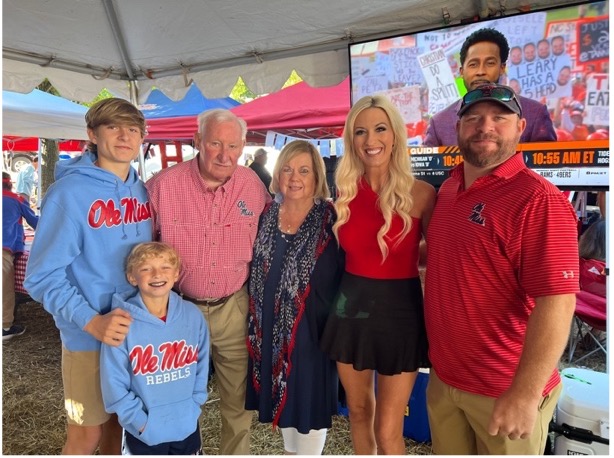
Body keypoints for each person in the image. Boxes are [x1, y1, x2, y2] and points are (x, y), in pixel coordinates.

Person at [424, 83, 579, 455]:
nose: (485, 127)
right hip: (445, 381)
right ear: (457, 129)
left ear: (521, 127)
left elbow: (558, 302)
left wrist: (525, 393)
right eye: (473, 118)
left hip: (502, 390)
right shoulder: (448, 189)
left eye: (499, 118)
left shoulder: (539, 200)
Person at [24, 98, 152, 455]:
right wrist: (92, 322)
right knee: (85, 436)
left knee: (118, 428)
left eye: (133, 129)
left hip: (135, 335)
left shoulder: (143, 190)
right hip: (88, 338)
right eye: (113, 127)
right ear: (92, 135)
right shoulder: (68, 194)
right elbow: (42, 276)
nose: (124, 136)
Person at [146, 108, 271, 455]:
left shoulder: (252, 185)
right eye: (215, 143)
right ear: (198, 141)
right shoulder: (162, 186)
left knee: (238, 400)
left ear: (243, 147)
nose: (224, 155)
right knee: (178, 395)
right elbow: (141, 251)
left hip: (234, 306)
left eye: (233, 146)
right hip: (177, 309)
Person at [321, 94, 436, 454]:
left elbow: (439, 259)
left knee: (388, 430)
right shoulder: (342, 195)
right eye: (360, 132)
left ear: (395, 135)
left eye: (380, 129)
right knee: (357, 412)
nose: (371, 140)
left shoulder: (423, 194)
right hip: (349, 311)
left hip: (400, 314)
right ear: (351, 140)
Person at [246, 140, 344, 455]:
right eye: (287, 169)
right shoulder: (265, 215)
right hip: (269, 331)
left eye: (304, 170)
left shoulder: (333, 219)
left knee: (309, 409)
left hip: (312, 333)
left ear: (317, 176)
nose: (294, 178)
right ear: (277, 174)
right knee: (284, 408)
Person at [100, 242, 210, 455]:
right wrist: (139, 421)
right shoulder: (120, 322)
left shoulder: (192, 315)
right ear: (132, 277)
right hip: (143, 431)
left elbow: (202, 365)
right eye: (145, 269)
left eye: (165, 267)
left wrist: (194, 405)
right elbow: (113, 381)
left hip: (186, 424)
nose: (157, 274)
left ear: (176, 274)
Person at [423, 28, 556, 146]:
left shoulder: (535, 113)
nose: (480, 71)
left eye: (490, 63)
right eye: (473, 64)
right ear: (462, 72)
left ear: (502, 68)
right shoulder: (439, 123)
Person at [2, 172, 38, 340]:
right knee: (4, 289)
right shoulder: (16, 199)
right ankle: (5, 327)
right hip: (4, 248)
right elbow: (36, 222)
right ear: (10, 184)